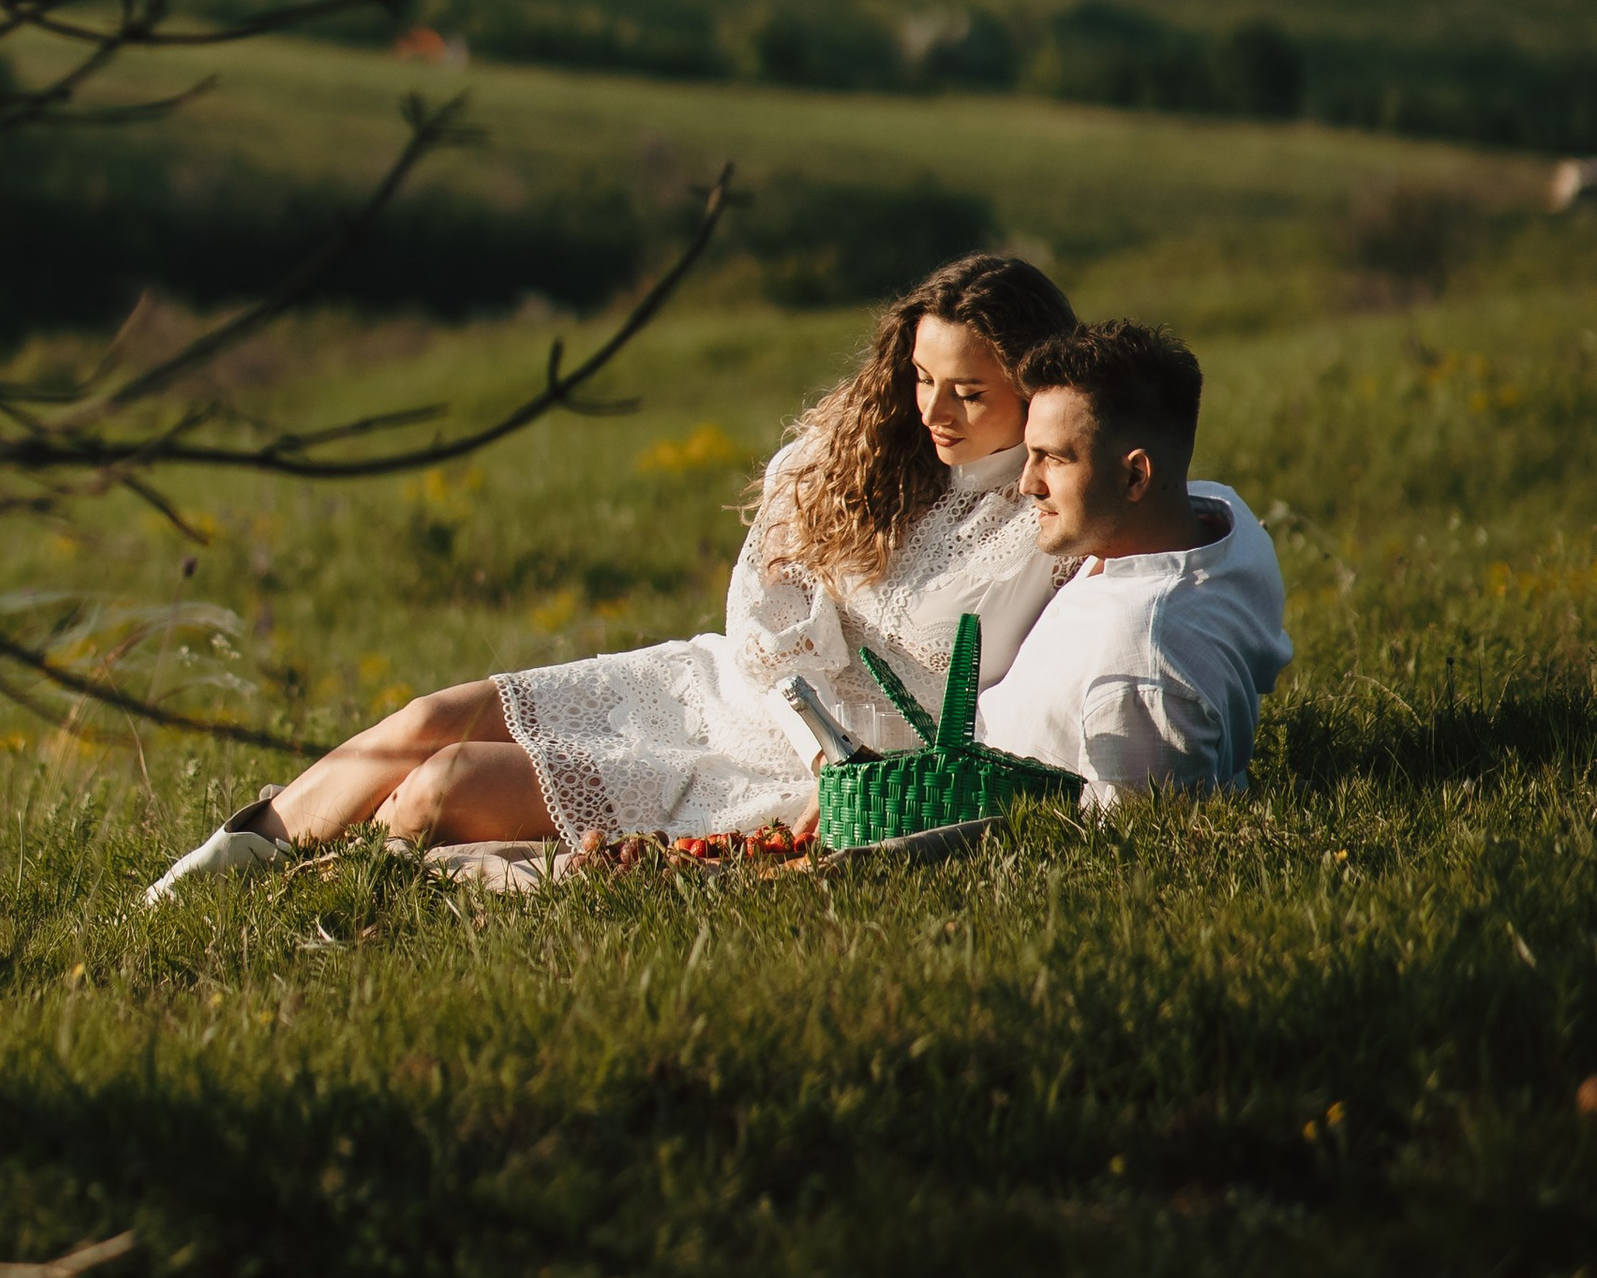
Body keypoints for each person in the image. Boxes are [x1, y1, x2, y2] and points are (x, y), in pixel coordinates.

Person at [145, 248, 1077, 901]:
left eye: (969, 393)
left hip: (824, 779)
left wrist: (836, 763)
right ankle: (193, 887)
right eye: (920, 377)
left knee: (445, 784)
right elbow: (768, 605)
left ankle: (334, 891)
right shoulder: (865, 448)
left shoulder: (1052, 518)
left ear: (1034, 388)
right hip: (731, 692)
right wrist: (812, 723)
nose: (933, 411)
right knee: (430, 719)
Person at [975, 320, 1290, 803]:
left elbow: (1132, 836)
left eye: (1053, 458)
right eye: (1029, 454)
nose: (1027, 484)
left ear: (1135, 476)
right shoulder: (1219, 516)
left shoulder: (1142, 661)